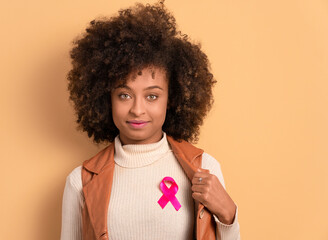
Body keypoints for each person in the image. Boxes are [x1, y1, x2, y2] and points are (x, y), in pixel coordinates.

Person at [61, 1, 240, 239]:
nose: (137, 109)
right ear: (106, 98)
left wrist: (229, 216)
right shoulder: (80, 182)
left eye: (152, 96)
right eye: (124, 95)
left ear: (172, 98)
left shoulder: (204, 169)